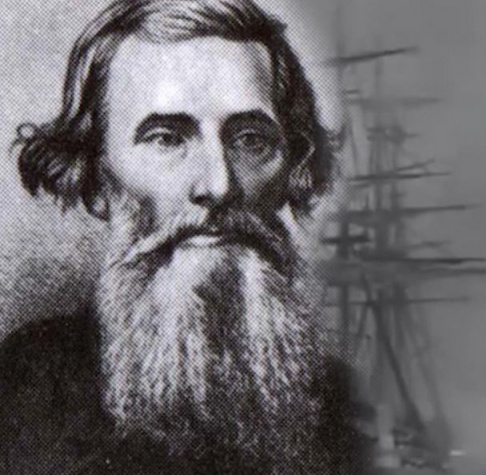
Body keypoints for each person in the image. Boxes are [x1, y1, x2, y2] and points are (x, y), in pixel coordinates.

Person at [1, 0, 363, 473]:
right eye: (167, 138)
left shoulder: (357, 417)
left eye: (250, 140)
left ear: (292, 166)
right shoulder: (20, 394)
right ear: (95, 176)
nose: (218, 185)